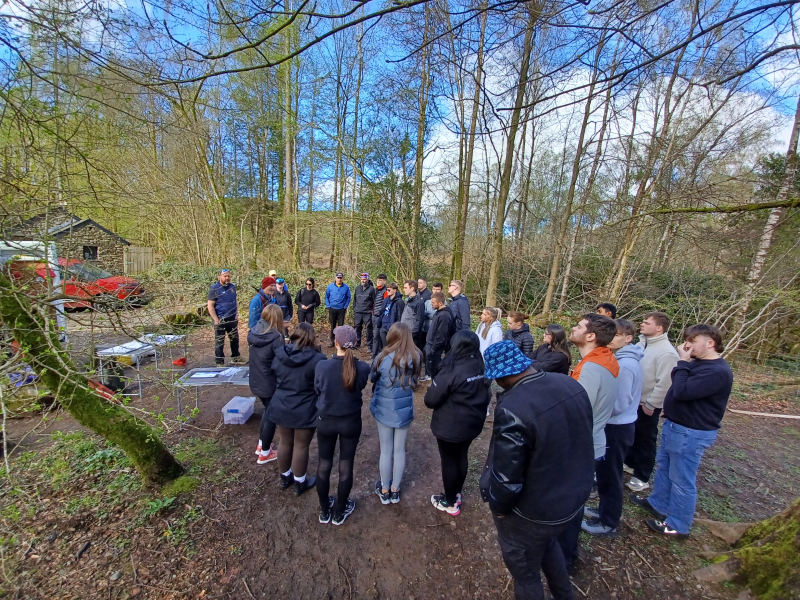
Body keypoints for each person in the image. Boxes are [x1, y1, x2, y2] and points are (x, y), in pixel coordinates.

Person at [480, 340, 594, 600]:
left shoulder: (514, 408)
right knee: (547, 544)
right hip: (571, 499)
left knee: (526, 575)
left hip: (533, 513)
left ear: (503, 375)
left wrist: (499, 508)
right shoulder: (570, 384)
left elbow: (508, 476)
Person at [630, 324, 733, 538]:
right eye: (686, 340)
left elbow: (683, 391)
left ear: (710, 343)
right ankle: (658, 502)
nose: (686, 345)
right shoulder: (697, 364)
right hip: (676, 425)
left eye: (692, 341)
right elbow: (678, 388)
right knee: (665, 466)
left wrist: (682, 363)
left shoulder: (717, 371)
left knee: (682, 478)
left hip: (691, 433)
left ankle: (678, 524)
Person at [558, 313, 619, 573]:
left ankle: (565, 559)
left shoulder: (592, 368)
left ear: (591, 336)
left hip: (580, 445)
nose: (574, 328)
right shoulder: (602, 361)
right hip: (587, 441)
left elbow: (577, 410)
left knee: (568, 505)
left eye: (579, 326)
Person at [582, 319, 643, 538]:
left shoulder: (626, 365)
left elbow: (619, 403)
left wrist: (599, 408)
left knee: (611, 476)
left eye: (617, 335)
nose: (611, 338)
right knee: (604, 473)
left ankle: (609, 522)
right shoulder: (617, 359)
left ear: (628, 338)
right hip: (611, 425)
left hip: (617, 428)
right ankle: (602, 511)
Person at [424, 331, 490, 515]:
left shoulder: (452, 369)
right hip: (472, 423)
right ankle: (456, 493)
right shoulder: (479, 365)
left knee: (449, 461)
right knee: (461, 456)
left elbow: (430, 400)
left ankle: (450, 501)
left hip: (450, 426)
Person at [314, 326, 369, 525]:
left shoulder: (322, 366)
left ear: (335, 343)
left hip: (326, 421)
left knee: (324, 463)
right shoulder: (362, 368)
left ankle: (324, 510)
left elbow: (317, 389)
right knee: (346, 464)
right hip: (350, 422)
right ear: (354, 344)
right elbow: (361, 386)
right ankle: (340, 510)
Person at [266, 323, 327, 496]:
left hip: (282, 403)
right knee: (301, 445)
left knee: (285, 442)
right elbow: (322, 384)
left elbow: (274, 372)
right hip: (305, 407)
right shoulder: (318, 359)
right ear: (312, 337)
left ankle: (285, 478)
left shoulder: (280, 354)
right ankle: (299, 482)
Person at [625, 311, 679, 493]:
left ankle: (642, 476)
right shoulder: (641, 344)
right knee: (633, 434)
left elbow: (665, 382)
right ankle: (630, 463)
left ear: (659, 328)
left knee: (646, 439)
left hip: (647, 404)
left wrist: (652, 404)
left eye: (647, 323)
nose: (642, 324)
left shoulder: (667, 352)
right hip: (634, 400)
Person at [370, 322, 421, 505]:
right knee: (399, 450)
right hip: (404, 410)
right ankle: (395, 490)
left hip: (383, 408)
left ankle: (384, 490)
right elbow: (415, 380)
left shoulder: (382, 357)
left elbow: (372, 378)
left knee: (386, 450)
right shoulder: (416, 356)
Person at [248, 304, 285, 465]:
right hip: (269, 383)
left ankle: (262, 444)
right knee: (271, 416)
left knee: (267, 411)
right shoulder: (276, 337)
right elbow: (282, 361)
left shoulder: (256, 331)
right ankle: (264, 453)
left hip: (256, 380)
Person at [207, 269, 242, 366]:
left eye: (228, 276)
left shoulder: (232, 287)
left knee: (234, 339)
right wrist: (216, 319)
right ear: (219, 277)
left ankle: (236, 357)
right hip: (220, 319)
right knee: (220, 341)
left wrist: (236, 314)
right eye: (225, 276)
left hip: (232, 318)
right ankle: (220, 362)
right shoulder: (214, 289)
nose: (227, 278)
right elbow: (210, 306)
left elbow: (235, 301)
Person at [424, 292, 455, 379]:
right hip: (430, 344)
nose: (431, 304)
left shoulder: (444, 315)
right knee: (431, 367)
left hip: (435, 347)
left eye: (433, 302)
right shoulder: (438, 312)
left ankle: (436, 384)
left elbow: (441, 335)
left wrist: (433, 349)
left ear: (440, 303)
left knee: (435, 368)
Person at [400, 280, 427, 379]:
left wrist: (413, 334)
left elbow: (419, 321)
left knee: (414, 358)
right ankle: (405, 376)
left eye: (406, 287)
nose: (403, 289)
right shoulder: (408, 300)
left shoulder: (419, 302)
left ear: (412, 288)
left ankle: (414, 379)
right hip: (405, 333)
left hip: (413, 335)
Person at [325, 273, 351, 347]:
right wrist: (328, 305)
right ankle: (332, 341)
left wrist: (345, 306)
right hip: (332, 308)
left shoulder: (346, 287)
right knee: (333, 326)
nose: (339, 279)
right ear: (335, 278)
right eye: (338, 278)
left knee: (340, 327)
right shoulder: (330, 287)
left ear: (342, 278)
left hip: (341, 310)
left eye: (340, 278)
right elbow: (326, 296)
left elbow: (348, 297)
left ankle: (339, 341)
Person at [353, 273, 376, 350]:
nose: (363, 280)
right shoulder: (357, 288)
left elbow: (374, 301)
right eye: (362, 279)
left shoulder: (372, 289)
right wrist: (355, 309)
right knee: (357, 328)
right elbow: (354, 300)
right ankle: (357, 343)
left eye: (364, 279)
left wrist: (371, 310)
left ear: (367, 279)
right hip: (358, 312)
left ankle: (370, 346)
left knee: (368, 329)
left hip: (367, 313)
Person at [378, 283, 403, 350]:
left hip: (392, 328)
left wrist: (396, 327)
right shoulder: (385, 300)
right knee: (384, 346)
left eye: (389, 290)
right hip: (383, 326)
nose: (387, 291)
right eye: (386, 290)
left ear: (394, 290)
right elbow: (382, 312)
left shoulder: (399, 302)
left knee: (392, 347)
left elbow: (399, 316)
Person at [372, 274, 389, 358]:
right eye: (378, 280)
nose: (378, 281)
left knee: (377, 336)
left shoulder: (386, 291)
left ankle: (375, 355)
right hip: (374, 315)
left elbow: (385, 304)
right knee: (376, 336)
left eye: (381, 280)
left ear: (384, 281)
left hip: (380, 316)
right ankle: (378, 352)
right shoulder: (375, 290)